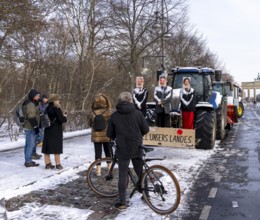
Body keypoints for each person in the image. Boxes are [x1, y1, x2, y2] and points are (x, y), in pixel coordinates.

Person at [107, 91, 149, 211]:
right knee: (141, 171)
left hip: (123, 148)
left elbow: (109, 134)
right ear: (131, 101)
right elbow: (146, 129)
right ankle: (146, 195)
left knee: (122, 174)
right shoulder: (138, 113)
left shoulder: (114, 116)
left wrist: (116, 135)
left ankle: (122, 202)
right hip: (137, 147)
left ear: (119, 101)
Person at [88, 93, 113, 176]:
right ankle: (109, 169)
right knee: (108, 152)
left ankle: (98, 171)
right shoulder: (108, 112)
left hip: (96, 136)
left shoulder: (92, 113)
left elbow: (90, 124)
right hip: (107, 135)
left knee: (97, 153)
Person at [42, 94, 67, 169]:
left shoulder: (47, 107)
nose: (59, 101)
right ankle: (58, 164)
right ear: (55, 100)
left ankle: (48, 163)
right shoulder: (57, 108)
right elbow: (61, 119)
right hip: (55, 129)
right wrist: (65, 117)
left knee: (47, 147)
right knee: (57, 147)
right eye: (58, 99)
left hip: (48, 129)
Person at [22, 89, 42, 167]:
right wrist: (36, 127)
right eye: (37, 96)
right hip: (30, 127)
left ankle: (28, 160)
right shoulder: (30, 104)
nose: (38, 97)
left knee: (28, 144)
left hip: (29, 127)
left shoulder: (31, 103)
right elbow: (31, 117)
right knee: (30, 144)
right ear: (33, 96)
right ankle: (28, 161)